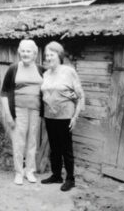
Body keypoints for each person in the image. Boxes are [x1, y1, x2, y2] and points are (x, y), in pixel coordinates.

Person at [41, 41, 85, 192]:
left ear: (59, 55)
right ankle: (56, 175)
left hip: (65, 116)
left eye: (51, 54)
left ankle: (70, 179)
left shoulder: (68, 71)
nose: (48, 57)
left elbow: (80, 96)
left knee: (66, 148)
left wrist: (75, 117)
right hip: (49, 116)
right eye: (46, 55)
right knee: (54, 148)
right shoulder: (46, 73)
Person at [0, 39, 44, 185]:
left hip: (35, 111)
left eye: (28, 51)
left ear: (35, 54)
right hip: (18, 111)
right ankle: (19, 172)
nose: (25, 54)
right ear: (19, 52)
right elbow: (4, 93)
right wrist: (7, 114)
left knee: (32, 142)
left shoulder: (40, 69)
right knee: (19, 143)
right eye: (23, 51)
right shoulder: (13, 68)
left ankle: (29, 171)